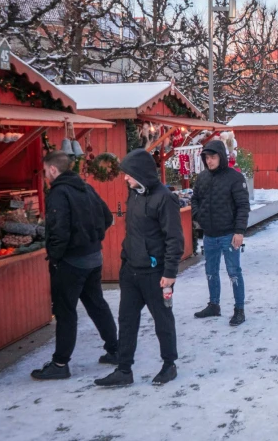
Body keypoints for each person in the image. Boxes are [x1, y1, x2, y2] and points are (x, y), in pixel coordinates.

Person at [95, 149, 183, 388]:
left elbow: (174, 239)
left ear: (141, 173)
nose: (124, 178)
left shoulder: (165, 198)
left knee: (162, 320)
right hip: (131, 271)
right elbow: (133, 231)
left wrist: (170, 274)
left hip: (156, 275)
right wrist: (125, 259)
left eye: (128, 174)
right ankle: (124, 370)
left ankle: (169, 365)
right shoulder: (133, 193)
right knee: (126, 321)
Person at [31, 152, 118, 381]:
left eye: (44, 170)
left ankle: (60, 363)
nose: (44, 175)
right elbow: (107, 217)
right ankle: (115, 349)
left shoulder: (59, 193)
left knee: (65, 312)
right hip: (93, 258)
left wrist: (56, 257)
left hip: (71, 262)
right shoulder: (85, 188)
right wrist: (93, 237)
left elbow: (59, 230)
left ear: (52, 170)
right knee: (96, 304)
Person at [191, 140, 251, 326]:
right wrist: (198, 217)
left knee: (234, 272)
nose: (209, 161)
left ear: (221, 157)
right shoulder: (202, 178)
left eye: (213, 157)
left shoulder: (235, 178)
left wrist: (239, 232)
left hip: (229, 235)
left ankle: (239, 309)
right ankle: (214, 305)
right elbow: (195, 200)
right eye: (206, 158)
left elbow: (243, 206)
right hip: (209, 235)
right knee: (211, 271)